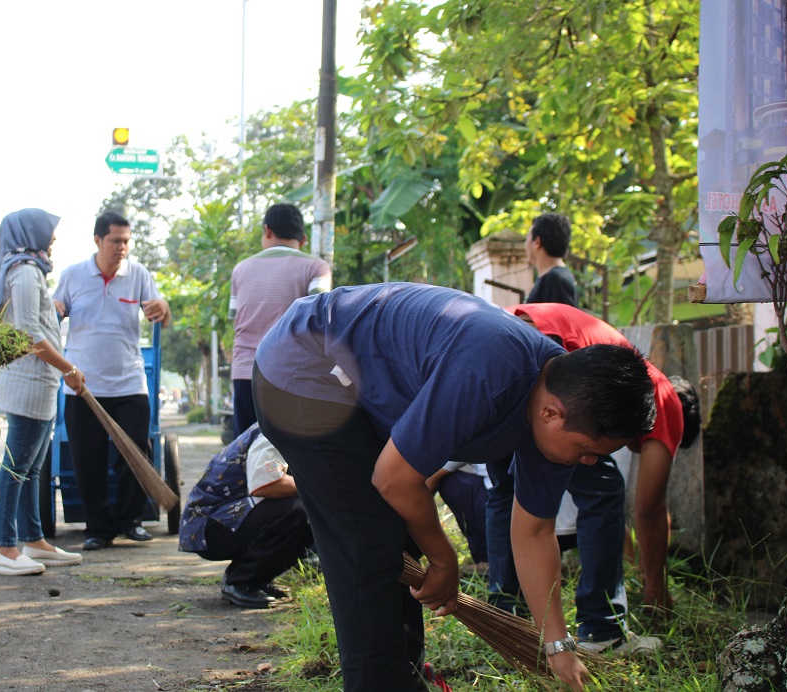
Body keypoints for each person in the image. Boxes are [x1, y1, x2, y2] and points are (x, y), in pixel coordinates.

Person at [252, 283, 656, 692]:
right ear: (552, 413)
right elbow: (394, 478)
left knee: (394, 534)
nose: (589, 463)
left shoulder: (555, 408)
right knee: (368, 542)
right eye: (588, 451)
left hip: (350, 384)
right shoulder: (491, 366)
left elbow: (533, 532)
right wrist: (444, 561)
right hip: (301, 367)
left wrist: (558, 645)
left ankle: (405, 675)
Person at [482, 303, 701, 654]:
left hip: (503, 344)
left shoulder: (637, 377)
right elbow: (649, 508)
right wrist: (656, 589)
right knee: (603, 489)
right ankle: (603, 630)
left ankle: (508, 621)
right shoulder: (665, 400)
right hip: (550, 354)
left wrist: (631, 560)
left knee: (507, 490)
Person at [53, 210, 172, 551]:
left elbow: (162, 313)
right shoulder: (73, 275)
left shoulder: (138, 275)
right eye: (116, 241)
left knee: (134, 455)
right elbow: (55, 311)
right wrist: (56, 307)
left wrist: (162, 306)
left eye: (126, 241)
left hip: (129, 383)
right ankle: (98, 530)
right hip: (82, 385)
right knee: (87, 459)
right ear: (98, 240)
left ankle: (130, 522)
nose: (122, 247)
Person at [0, 208, 86, 576]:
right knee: (17, 469)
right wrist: (69, 369)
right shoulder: (25, 272)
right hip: (29, 384)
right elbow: (29, 333)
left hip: (41, 385)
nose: (54, 239)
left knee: (32, 469)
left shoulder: (31, 269)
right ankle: (5, 549)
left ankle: (34, 540)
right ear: (32, 232)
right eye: (50, 232)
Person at [178, 424, 312, 608]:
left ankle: (257, 579)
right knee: (298, 511)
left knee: (309, 512)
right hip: (209, 527)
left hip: (229, 518)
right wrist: (316, 486)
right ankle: (241, 581)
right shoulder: (276, 430)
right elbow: (266, 484)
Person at [228, 203, 331, 436]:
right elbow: (320, 319)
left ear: (267, 231)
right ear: (303, 239)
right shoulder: (316, 267)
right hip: (292, 375)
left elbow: (234, 318)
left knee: (245, 451)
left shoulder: (240, 269)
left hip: (246, 373)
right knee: (291, 457)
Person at [524, 213, 577, 306]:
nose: (525, 244)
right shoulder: (554, 276)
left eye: (527, 237)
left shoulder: (555, 280)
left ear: (537, 242)